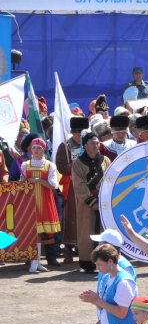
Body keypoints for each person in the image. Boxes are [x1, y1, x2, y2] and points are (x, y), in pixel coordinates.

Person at [71, 132, 111, 273]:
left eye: (97, 142)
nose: (96, 145)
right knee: (87, 231)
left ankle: (104, 260)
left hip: (104, 202)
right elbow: (79, 184)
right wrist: (92, 202)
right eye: (93, 143)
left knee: (104, 231)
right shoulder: (78, 163)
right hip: (87, 204)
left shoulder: (105, 160)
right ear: (85, 145)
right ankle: (88, 262)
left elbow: (111, 179)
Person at [22, 137, 61, 273]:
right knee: (34, 233)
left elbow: (53, 185)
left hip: (44, 201)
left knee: (40, 233)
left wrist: (38, 180)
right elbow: (21, 184)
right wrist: (25, 181)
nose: (36, 150)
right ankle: (35, 261)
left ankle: (36, 261)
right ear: (30, 150)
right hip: (30, 202)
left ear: (44, 149)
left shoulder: (50, 165)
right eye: (34, 147)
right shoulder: (25, 165)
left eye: (39, 147)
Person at [56, 116, 88, 266]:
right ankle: (68, 251)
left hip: (88, 185)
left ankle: (86, 250)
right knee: (70, 218)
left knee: (87, 218)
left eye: (81, 133)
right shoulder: (65, 146)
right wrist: (75, 168)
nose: (79, 136)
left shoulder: (90, 144)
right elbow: (61, 166)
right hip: (71, 186)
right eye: (77, 133)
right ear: (73, 132)